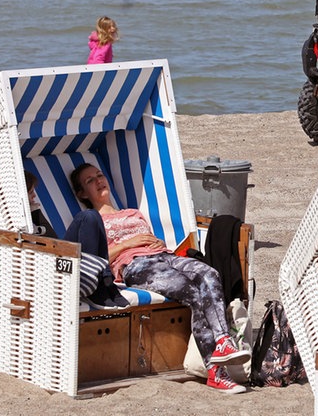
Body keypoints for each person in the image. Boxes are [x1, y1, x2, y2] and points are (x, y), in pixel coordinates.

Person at [69, 163, 250, 393]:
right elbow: (95, 257)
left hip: (164, 256)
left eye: (99, 175)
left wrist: (157, 244)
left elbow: (151, 240)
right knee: (191, 290)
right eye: (89, 181)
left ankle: (223, 342)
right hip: (135, 265)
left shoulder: (133, 213)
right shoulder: (91, 221)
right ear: (83, 193)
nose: (98, 181)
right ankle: (215, 372)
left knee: (209, 273)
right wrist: (129, 244)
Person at [24, 170, 128, 310]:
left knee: (92, 215)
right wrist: (33, 213)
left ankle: (104, 282)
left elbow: (54, 243)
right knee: (88, 216)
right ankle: (97, 286)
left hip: (62, 261)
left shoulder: (32, 213)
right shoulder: (16, 222)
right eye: (30, 193)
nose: (35, 196)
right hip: (56, 272)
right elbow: (50, 248)